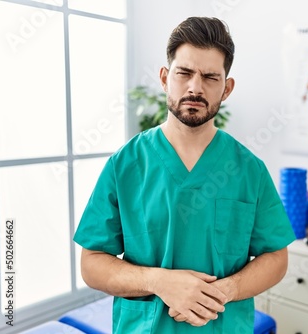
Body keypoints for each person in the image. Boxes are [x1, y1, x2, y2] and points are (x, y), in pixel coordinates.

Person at [73, 16, 296, 333]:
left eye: (210, 77)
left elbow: (275, 256)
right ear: (165, 78)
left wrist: (219, 292)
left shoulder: (249, 170)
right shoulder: (126, 165)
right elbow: (92, 262)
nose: (195, 87)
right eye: (184, 73)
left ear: (227, 88)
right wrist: (159, 281)